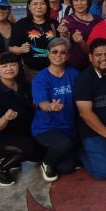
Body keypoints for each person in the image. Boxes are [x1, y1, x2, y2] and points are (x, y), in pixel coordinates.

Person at [0, 52, 41, 186]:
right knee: (27, 148)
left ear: (19, 67)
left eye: (13, 64)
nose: (9, 69)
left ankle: (14, 159)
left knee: (41, 150)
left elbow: (32, 106)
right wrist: (5, 118)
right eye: (4, 66)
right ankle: (1, 170)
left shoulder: (23, 85)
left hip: (17, 133)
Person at [31, 37, 81, 182]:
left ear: (68, 56)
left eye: (63, 52)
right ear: (48, 54)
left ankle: (56, 153)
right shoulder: (40, 78)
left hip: (68, 127)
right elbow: (42, 104)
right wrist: (50, 106)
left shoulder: (74, 74)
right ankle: (46, 163)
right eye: (54, 52)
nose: (58, 55)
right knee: (64, 144)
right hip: (46, 128)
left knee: (67, 168)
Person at [75, 38, 106, 179]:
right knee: (103, 172)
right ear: (90, 57)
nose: (103, 58)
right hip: (94, 131)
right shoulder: (84, 80)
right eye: (98, 55)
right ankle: (81, 151)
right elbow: (85, 113)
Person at [9, 0, 57, 82]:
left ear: (47, 6)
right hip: (30, 72)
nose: (39, 7)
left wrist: (65, 34)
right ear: (29, 7)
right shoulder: (21, 24)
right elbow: (11, 48)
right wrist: (20, 50)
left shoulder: (53, 23)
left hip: (53, 70)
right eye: (35, 4)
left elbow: (60, 43)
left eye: (42, 3)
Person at [58, 0, 100, 71]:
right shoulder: (67, 20)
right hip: (74, 65)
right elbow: (64, 45)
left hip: (96, 63)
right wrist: (64, 34)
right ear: (72, 3)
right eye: (76, 0)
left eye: (83, 0)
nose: (79, 3)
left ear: (88, 1)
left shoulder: (98, 20)